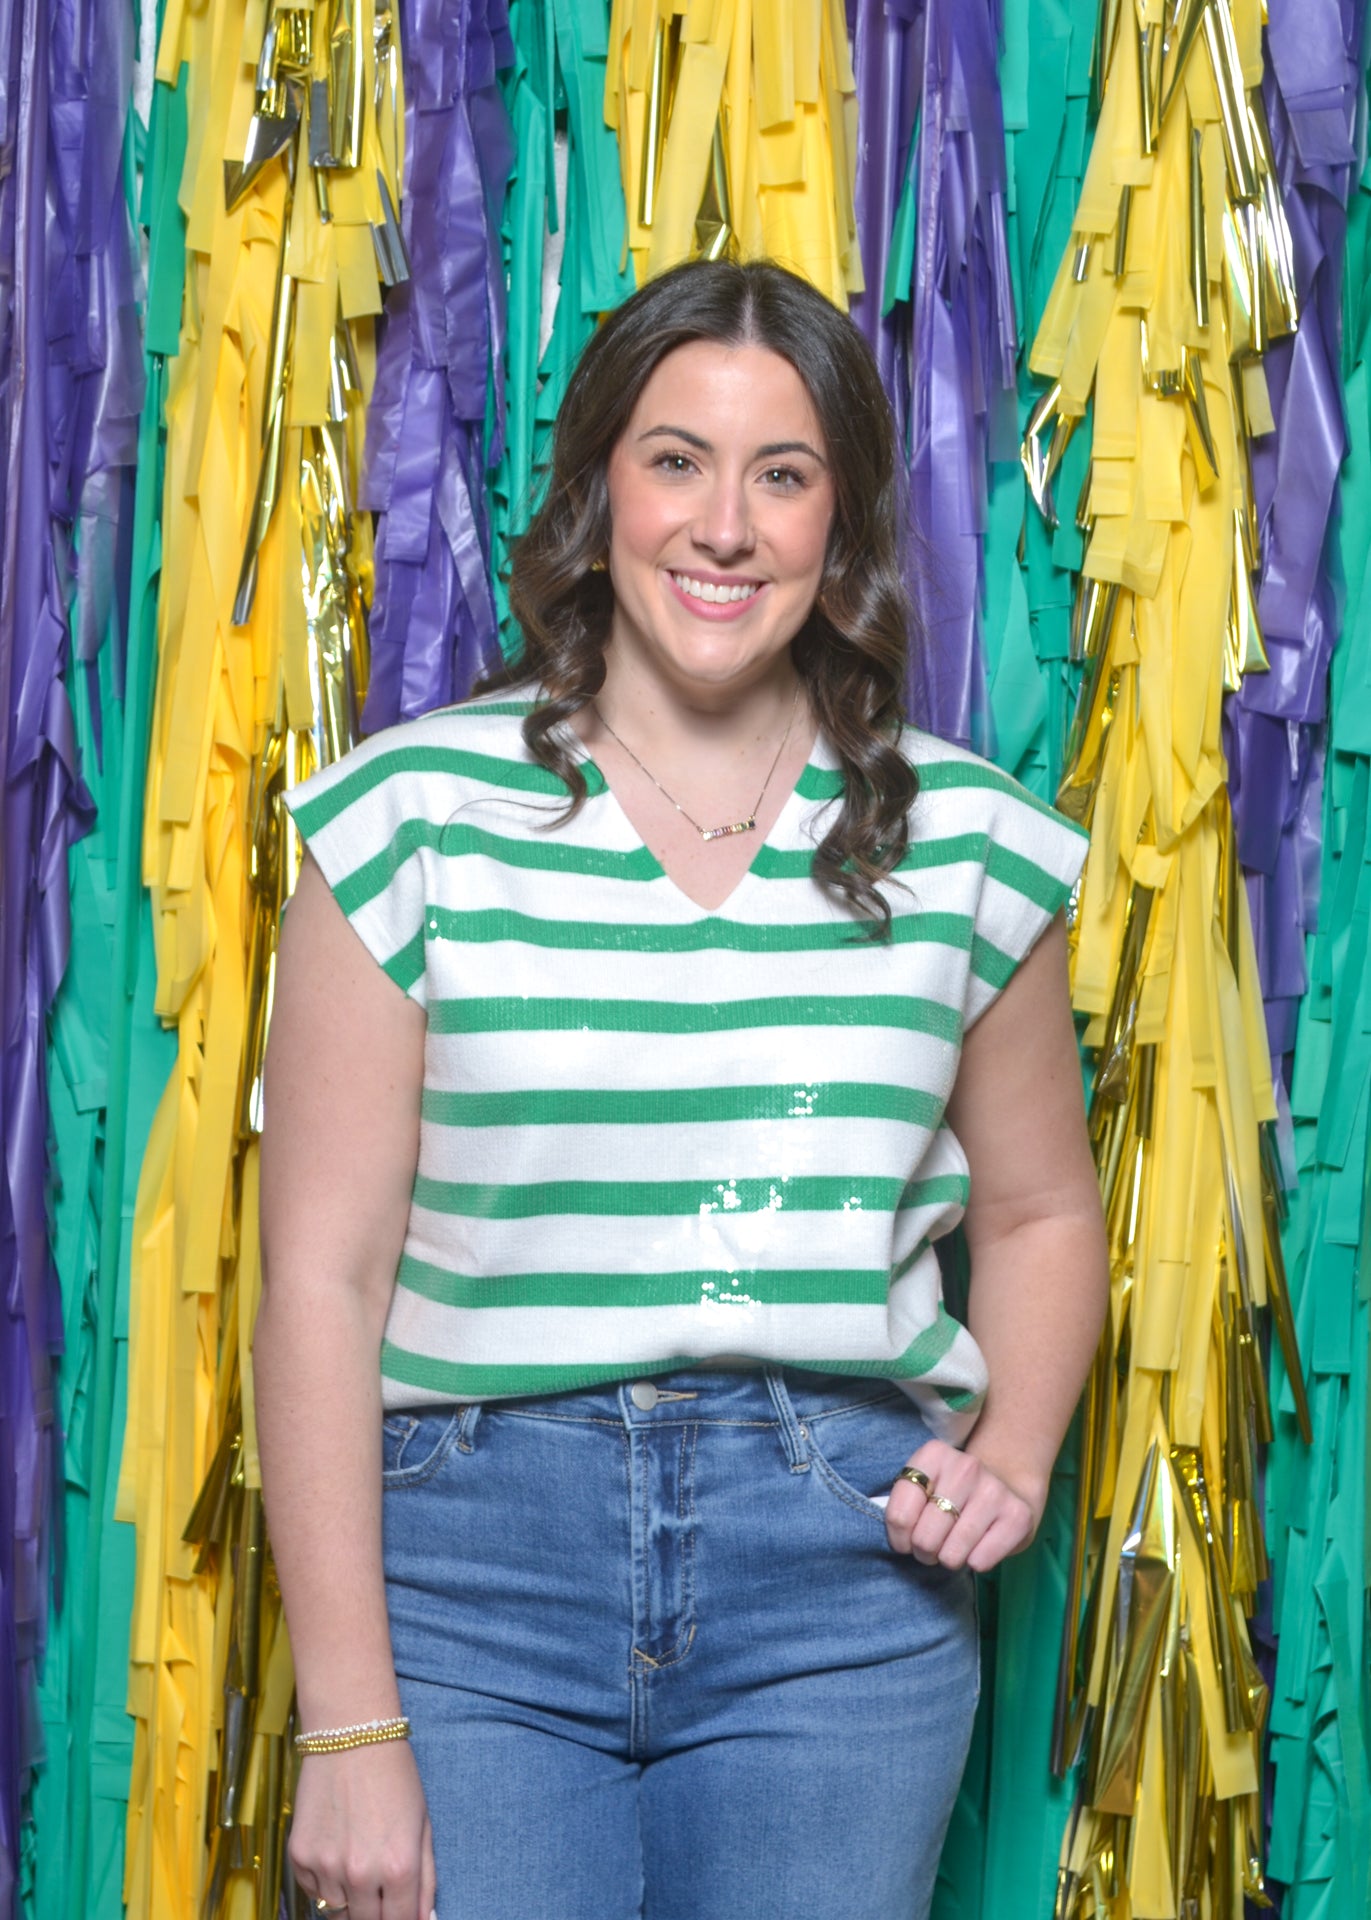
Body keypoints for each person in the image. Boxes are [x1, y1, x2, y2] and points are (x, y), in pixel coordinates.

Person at [255, 257, 1108, 1920]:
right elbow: (318, 1281)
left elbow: (1040, 1212)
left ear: (839, 527)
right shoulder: (406, 820)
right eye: (676, 462)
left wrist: (1012, 1448)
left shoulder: (968, 841)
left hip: (843, 1588)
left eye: (782, 476)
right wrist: (346, 1721)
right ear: (600, 497)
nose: (724, 526)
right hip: (468, 1582)